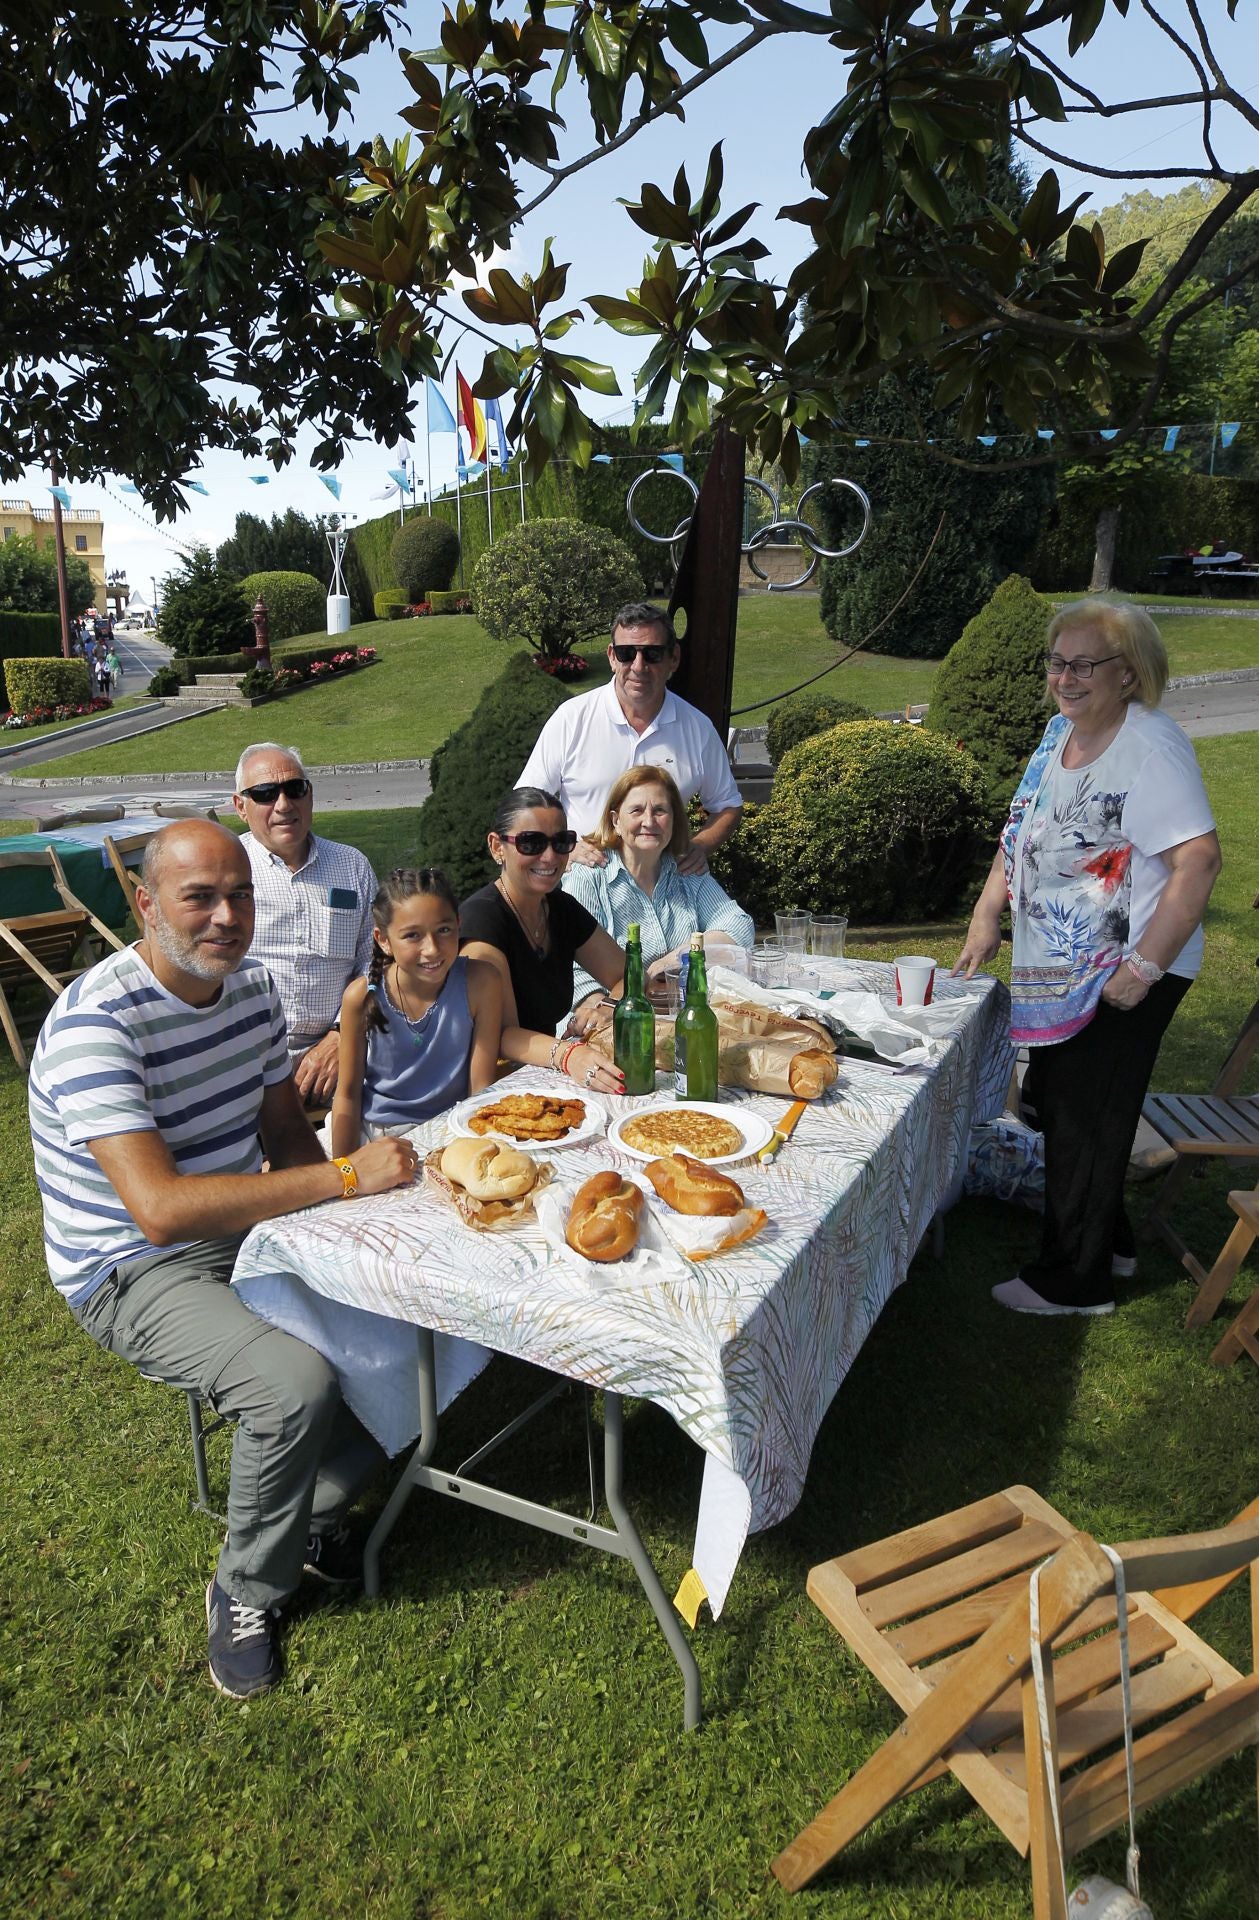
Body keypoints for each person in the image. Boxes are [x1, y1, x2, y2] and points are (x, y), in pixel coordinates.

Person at [28, 820, 417, 1699]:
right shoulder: (97, 1024)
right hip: (130, 1269)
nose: (225, 917)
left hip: (245, 1225)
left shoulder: (250, 990)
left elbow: (281, 1130)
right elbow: (160, 1212)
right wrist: (347, 1178)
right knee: (294, 1385)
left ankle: (307, 1519)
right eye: (199, 896)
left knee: (412, 1317)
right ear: (145, 902)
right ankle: (247, 1588)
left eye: (238, 894)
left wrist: (346, 1229)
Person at [954, 598, 1221, 1317]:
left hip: (1124, 968)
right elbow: (1021, 832)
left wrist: (1142, 970)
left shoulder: (1149, 748)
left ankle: (1074, 1281)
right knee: (1056, 1103)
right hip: (1060, 965)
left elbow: (1196, 860)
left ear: (1128, 675)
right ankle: (1113, 1242)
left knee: (1087, 1117)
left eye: (1083, 665)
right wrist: (986, 915)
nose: (1064, 678)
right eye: (1056, 662)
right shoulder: (1059, 734)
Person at [517, 602, 743, 873]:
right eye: (626, 653)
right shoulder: (572, 719)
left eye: (652, 654)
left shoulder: (697, 728)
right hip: (583, 887)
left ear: (674, 658)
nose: (638, 666)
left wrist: (700, 846)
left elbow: (728, 805)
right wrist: (564, 845)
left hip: (665, 891)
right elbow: (527, 799)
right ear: (612, 657)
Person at [233, 742, 376, 1105]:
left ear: (310, 795)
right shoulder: (229, 868)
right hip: (244, 1053)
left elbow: (375, 961)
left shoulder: (351, 866)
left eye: (294, 789)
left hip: (338, 1045)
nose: (283, 804)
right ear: (240, 807)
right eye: (264, 794)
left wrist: (344, 1033)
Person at [458, 788, 627, 1094]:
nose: (549, 857)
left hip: (542, 1073)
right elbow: (503, 1035)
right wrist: (569, 1056)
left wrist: (608, 1005)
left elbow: (627, 975)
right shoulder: (482, 923)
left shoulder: (558, 906)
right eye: (531, 843)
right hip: (494, 1084)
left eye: (561, 842)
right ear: (497, 847)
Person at [330, 867, 502, 1155]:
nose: (432, 949)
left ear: (459, 924)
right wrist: (345, 1173)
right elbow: (347, 1095)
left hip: (455, 1126)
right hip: (380, 1138)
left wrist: (475, 1149)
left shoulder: (481, 981)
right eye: (412, 936)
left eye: (444, 930)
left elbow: (480, 1089)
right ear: (383, 939)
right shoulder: (361, 997)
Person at [562, 764, 754, 1009]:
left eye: (660, 810)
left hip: (678, 1015)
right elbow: (568, 963)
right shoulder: (589, 875)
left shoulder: (685, 869)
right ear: (616, 821)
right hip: (607, 1021)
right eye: (637, 810)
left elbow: (738, 925)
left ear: (674, 819)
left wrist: (680, 956)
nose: (649, 821)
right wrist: (606, 1009)